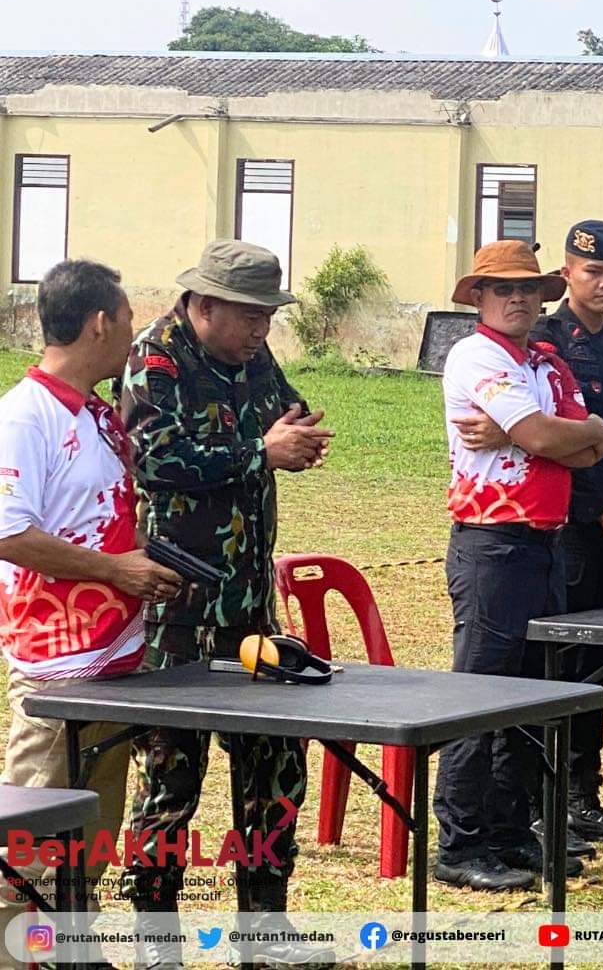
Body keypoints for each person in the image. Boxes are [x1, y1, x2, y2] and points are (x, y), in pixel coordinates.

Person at [119, 240, 335, 967]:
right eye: (250, 316)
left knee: (275, 765)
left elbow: (282, 412)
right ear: (204, 305)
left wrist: (298, 436)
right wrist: (260, 453)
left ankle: (264, 929)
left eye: (269, 317)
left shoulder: (251, 355)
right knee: (169, 778)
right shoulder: (156, 360)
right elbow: (154, 459)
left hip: (248, 604)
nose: (261, 330)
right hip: (175, 609)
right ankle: (156, 940)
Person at [457, 220, 603, 847]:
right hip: (565, 528)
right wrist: (594, 502)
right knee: (548, 669)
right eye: (593, 272)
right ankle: (534, 806)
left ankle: (579, 798)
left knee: (599, 666)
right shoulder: (537, 343)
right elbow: (549, 440)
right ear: (569, 275)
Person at [0, 261, 182, 963]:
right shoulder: (25, 415)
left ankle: (71, 950)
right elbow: (9, 533)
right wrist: (115, 570)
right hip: (56, 668)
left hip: (114, 657)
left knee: (89, 837)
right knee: (27, 852)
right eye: (130, 321)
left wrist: (145, 567)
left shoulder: (96, 415)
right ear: (100, 323)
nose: (135, 336)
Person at [432, 239, 603, 892]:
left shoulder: (545, 361)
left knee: (528, 694)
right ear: (478, 297)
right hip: (493, 543)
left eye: (529, 289)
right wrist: (554, 433)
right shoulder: (476, 354)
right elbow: (549, 437)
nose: (518, 299)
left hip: (543, 542)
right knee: (479, 694)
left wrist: (579, 432)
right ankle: (460, 841)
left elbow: (590, 446)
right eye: (503, 289)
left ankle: (509, 831)